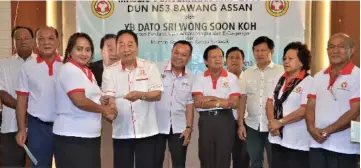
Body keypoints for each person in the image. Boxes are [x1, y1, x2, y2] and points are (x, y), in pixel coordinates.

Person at [53, 32, 117, 168]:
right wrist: (104, 109)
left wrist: (104, 101)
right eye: (79, 49)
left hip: (88, 137)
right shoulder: (69, 69)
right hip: (72, 137)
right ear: (70, 50)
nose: (84, 53)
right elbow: (80, 101)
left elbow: (91, 98)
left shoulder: (86, 71)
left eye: (87, 50)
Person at [102, 29, 163, 168]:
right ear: (117, 48)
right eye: (121, 45)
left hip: (147, 131)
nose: (126, 49)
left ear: (137, 47)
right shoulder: (110, 71)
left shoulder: (149, 67)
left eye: (130, 45)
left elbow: (157, 93)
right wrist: (111, 108)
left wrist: (141, 95)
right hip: (122, 132)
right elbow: (109, 97)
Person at [305, 33, 359, 168]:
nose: (335, 50)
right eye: (331, 47)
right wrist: (311, 129)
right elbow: (310, 106)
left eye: (341, 46)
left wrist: (326, 131)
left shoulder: (357, 76)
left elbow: (355, 111)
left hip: (344, 147)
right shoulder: (319, 76)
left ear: (351, 50)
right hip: (317, 144)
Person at [15, 26, 62, 167]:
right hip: (38, 127)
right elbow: (21, 100)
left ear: (58, 41)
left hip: (64, 125)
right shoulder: (28, 67)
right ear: (36, 43)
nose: (46, 43)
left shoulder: (67, 65)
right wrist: (22, 129)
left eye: (50, 38)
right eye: (41, 39)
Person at [192, 45, 240, 168]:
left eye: (220, 56)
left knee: (223, 157)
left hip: (225, 120)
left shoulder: (232, 78)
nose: (218, 59)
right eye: (214, 57)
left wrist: (212, 99)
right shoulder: (199, 78)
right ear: (206, 61)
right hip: (206, 121)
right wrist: (221, 102)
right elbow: (198, 102)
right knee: (205, 156)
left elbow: (234, 103)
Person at [239, 36, 284, 168]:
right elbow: (242, 99)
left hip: (274, 125)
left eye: (263, 50)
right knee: (255, 162)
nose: (260, 54)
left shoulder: (282, 71)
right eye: (256, 50)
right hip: (253, 126)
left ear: (272, 51)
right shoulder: (246, 73)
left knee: (275, 162)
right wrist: (241, 124)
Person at [266, 42, 313, 168]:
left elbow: (304, 110)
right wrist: (272, 123)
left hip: (297, 142)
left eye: (290, 59)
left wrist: (280, 122)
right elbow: (270, 101)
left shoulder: (309, 82)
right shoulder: (279, 79)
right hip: (276, 137)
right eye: (284, 58)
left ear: (302, 62)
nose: (286, 61)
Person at [155, 40, 194, 168]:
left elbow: (189, 104)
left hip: (179, 128)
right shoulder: (156, 69)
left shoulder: (191, 77)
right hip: (156, 126)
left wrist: (189, 128)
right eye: (176, 52)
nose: (178, 57)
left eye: (183, 55)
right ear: (171, 52)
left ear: (189, 58)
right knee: (154, 163)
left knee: (179, 164)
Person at [0, 26, 35, 167]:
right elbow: (1, 93)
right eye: (18, 39)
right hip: (10, 126)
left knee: (40, 163)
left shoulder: (41, 63)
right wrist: (23, 109)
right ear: (13, 42)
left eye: (26, 38)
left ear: (33, 41)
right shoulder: (3, 64)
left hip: (37, 126)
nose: (22, 41)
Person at [225, 47, 250, 168]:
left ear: (243, 61)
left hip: (244, 123)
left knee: (241, 157)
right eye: (231, 58)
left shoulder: (248, 78)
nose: (234, 60)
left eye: (238, 58)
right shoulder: (220, 78)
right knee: (221, 156)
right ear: (226, 61)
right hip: (224, 121)